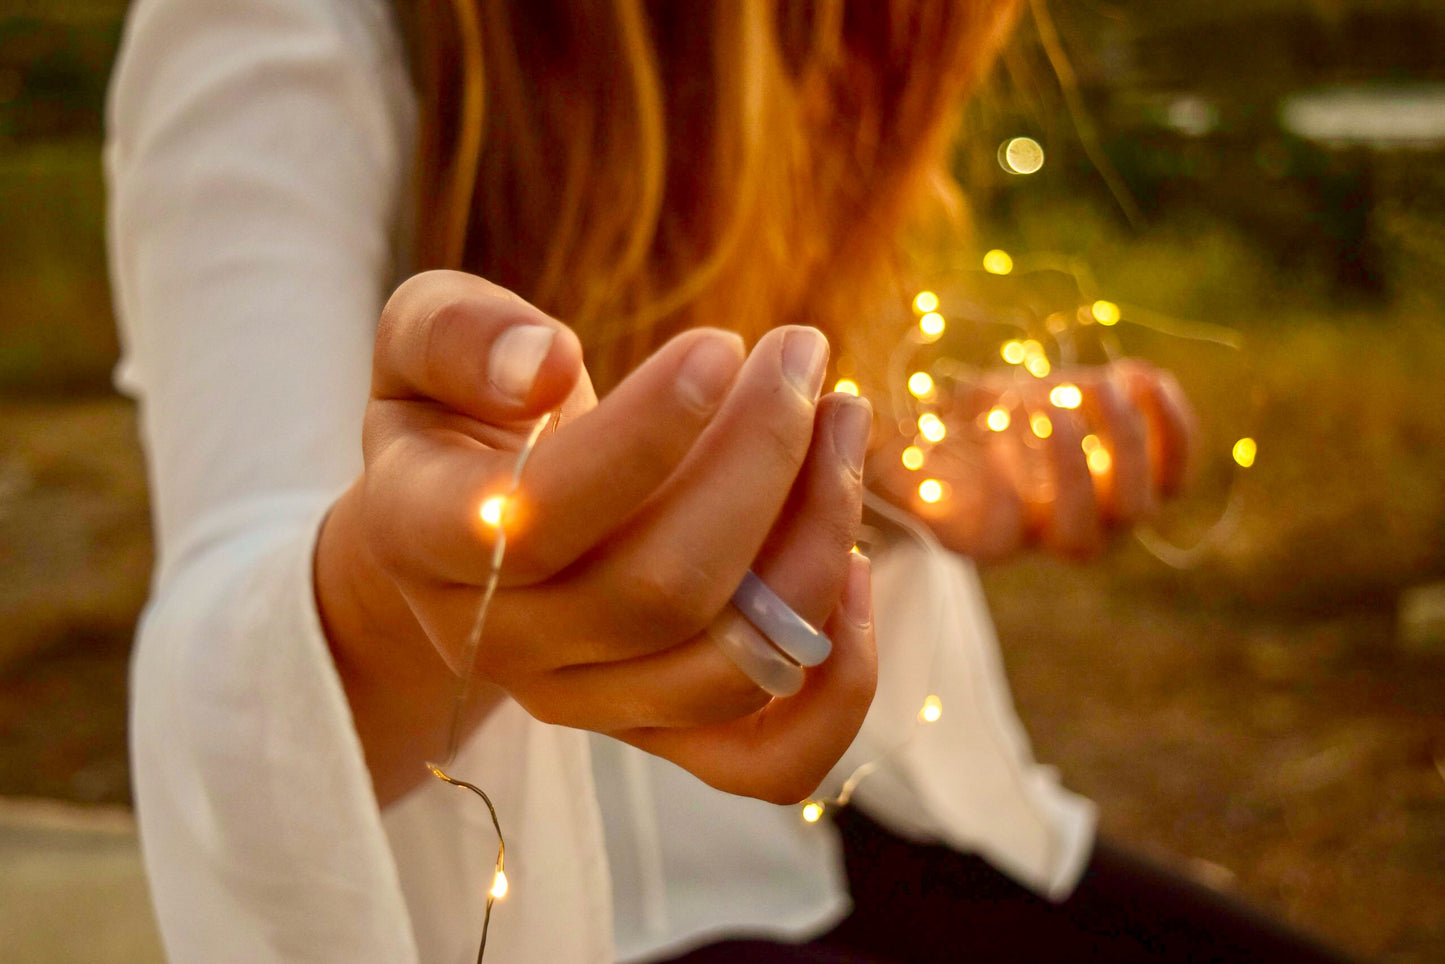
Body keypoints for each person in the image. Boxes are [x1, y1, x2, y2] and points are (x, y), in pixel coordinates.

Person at [106, 1, 1355, 962]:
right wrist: (405, 603)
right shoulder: (280, 32)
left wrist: (907, 479)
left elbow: (767, 451)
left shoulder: (831, 44)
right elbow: (222, 637)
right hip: (524, 917)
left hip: (823, 834)